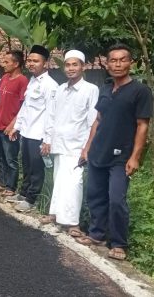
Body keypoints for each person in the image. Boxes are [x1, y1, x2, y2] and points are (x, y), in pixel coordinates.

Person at [76, 43, 153, 261]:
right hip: (98, 152)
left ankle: (119, 243)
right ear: (107, 64)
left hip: (121, 157)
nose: (117, 64)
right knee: (95, 196)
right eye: (113, 60)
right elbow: (97, 121)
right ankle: (97, 234)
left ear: (131, 63)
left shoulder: (140, 91)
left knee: (116, 199)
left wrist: (135, 157)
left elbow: (142, 125)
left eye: (122, 59)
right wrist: (87, 148)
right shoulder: (106, 89)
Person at [39, 50, 99, 236]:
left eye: (75, 64)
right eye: (68, 65)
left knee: (74, 183)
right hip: (58, 142)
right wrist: (47, 140)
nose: (71, 68)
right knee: (59, 179)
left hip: (77, 145)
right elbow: (51, 116)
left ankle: (72, 222)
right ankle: (55, 213)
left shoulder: (90, 89)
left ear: (83, 67)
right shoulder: (60, 89)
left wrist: (87, 147)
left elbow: (92, 121)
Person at [8, 45, 59, 212]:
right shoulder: (32, 81)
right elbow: (26, 107)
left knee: (37, 168)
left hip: (39, 134)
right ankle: (23, 193)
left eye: (35, 61)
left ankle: (31, 200)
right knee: (27, 165)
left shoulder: (50, 85)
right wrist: (17, 127)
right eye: (29, 60)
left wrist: (47, 140)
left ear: (45, 63)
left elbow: (52, 114)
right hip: (27, 132)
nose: (31, 64)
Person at [0, 51, 29, 197]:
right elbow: (1, 103)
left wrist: (13, 125)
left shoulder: (23, 81)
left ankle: (11, 187)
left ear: (16, 64)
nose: (4, 65)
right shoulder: (4, 78)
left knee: (11, 159)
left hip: (9, 128)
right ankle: (1, 183)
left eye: (7, 62)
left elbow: (24, 106)